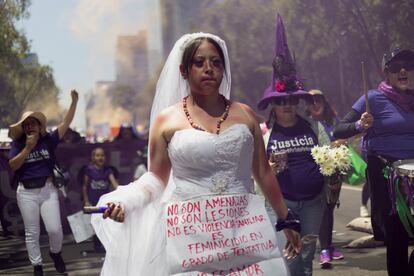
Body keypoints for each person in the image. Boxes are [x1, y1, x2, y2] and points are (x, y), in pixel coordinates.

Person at [91, 32, 301, 275]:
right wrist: (126, 201)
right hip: (191, 238)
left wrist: (286, 218)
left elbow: (263, 172)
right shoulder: (166, 120)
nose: (208, 69)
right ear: (184, 70)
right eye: (199, 63)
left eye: (216, 62)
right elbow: (156, 179)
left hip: (244, 232)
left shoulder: (245, 114)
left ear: (223, 69)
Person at [256, 15, 330, 276]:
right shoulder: (264, 134)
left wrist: (332, 175)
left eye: (290, 100)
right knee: (289, 258)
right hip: (282, 204)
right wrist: (270, 169)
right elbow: (258, 175)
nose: (286, 105)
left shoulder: (313, 127)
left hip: (313, 203)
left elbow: (330, 160)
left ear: (297, 101)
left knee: (306, 258)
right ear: (273, 105)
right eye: (280, 101)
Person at [333, 47, 414, 276]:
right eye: (396, 67)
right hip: (388, 176)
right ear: (386, 73)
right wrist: (360, 125)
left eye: (408, 66)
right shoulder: (374, 98)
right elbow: (339, 129)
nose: (403, 71)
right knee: (397, 237)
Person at [8, 90, 78, 276]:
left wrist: (74, 102)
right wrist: (28, 147)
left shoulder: (49, 140)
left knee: (55, 230)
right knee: (32, 232)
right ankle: (37, 267)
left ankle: (56, 254)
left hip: (48, 190)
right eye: (27, 125)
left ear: (40, 127)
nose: (30, 127)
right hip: (26, 193)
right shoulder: (18, 143)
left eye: (33, 123)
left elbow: (66, 123)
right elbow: (13, 165)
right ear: (23, 129)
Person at [82, 147, 118, 252]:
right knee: (96, 223)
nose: (100, 158)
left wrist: (122, 191)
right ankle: (97, 246)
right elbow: (84, 186)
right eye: (97, 155)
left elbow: (114, 184)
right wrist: (86, 200)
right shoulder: (89, 170)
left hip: (105, 202)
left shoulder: (108, 170)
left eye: (102, 155)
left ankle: (107, 245)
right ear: (93, 157)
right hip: (93, 201)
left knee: (106, 222)